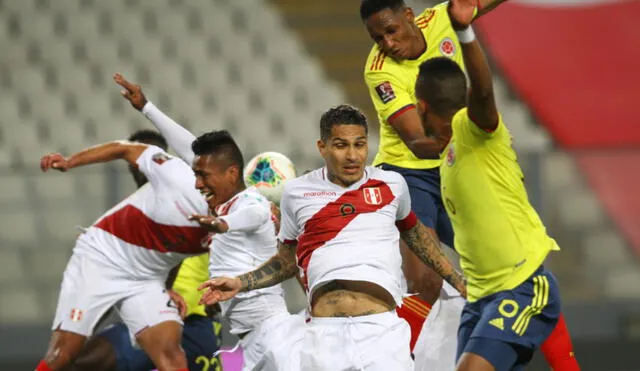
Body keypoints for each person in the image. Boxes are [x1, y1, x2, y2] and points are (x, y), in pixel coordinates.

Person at [361, 1, 579, 369]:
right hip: (411, 171)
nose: (387, 43)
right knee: (425, 279)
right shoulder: (379, 72)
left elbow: (476, 21)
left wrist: (478, 145)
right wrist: (478, 142)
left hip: (455, 157)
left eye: (391, 31)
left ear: (410, 17)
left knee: (517, 267)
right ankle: (397, 361)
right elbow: (416, 141)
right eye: (377, 37)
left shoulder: (444, 19)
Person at [199, 104, 467, 371]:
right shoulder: (297, 192)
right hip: (324, 336)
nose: (352, 155)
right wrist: (241, 282)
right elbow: (286, 261)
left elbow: (418, 238)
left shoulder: (392, 184)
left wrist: (458, 281)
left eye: (359, 144)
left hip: (381, 332)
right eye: (341, 145)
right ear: (322, 147)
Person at [114, 73, 305, 371]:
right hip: (249, 336)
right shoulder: (224, 197)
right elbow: (193, 150)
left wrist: (222, 225)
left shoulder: (250, 205)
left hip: (272, 332)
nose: (197, 182)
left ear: (231, 174)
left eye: (203, 176)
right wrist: (146, 107)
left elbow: (249, 216)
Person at [36, 131, 212, 371]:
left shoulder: (229, 222)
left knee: (172, 358)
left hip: (147, 282)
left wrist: (167, 288)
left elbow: (176, 250)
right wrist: (70, 161)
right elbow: (124, 148)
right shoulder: (175, 176)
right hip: (101, 260)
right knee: (64, 353)